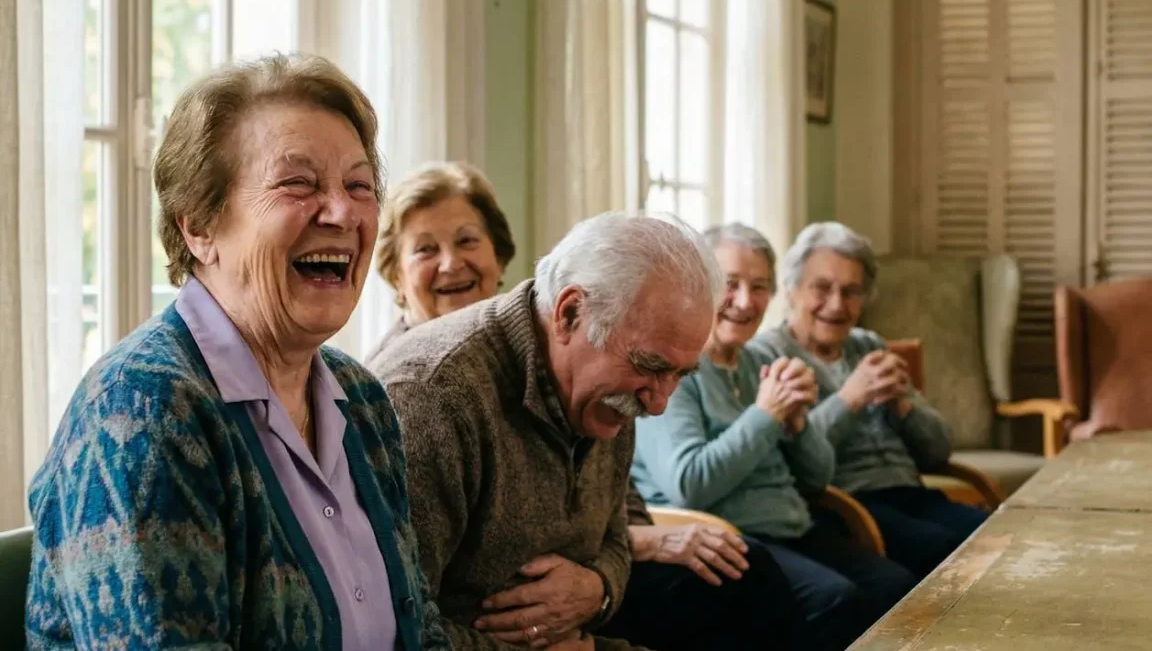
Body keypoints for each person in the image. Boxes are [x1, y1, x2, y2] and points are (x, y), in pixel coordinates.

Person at [25, 54, 450, 650]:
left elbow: (420, 629)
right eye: (298, 184)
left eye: (358, 185)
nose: (343, 212)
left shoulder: (363, 400)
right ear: (199, 226)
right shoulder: (141, 412)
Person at [367, 181, 810, 650]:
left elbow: (617, 536)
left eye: (680, 374)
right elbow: (391, 629)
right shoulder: (430, 398)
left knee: (751, 580)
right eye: (652, 368)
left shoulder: (613, 373)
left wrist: (599, 589)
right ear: (569, 312)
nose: (658, 404)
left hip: (579, 635)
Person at [631, 223, 919, 650]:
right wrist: (766, 415)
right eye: (730, 284)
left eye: (760, 287)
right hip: (728, 537)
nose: (745, 302)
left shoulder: (755, 362)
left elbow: (817, 477)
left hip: (791, 526)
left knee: (898, 587)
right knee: (834, 601)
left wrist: (798, 424)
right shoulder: (675, 368)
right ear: (699, 284)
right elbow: (688, 484)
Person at [752, 222, 989, 578]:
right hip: (845, 504)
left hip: (910, 492)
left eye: (851, 291)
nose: (837, 304)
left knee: (1000, 535)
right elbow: (786, 459)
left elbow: (938, 450)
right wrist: (850, 398)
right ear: (791, 290)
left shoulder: (868, 345)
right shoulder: (768, 356)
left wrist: (904, 407)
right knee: (948, 552)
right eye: (822, 288)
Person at [364, 161, 516, 364]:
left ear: (498, 254)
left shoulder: (524, 346)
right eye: (425, 249)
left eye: (466, 240)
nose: (451, 265)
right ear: (396, 274)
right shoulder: (394, 377)